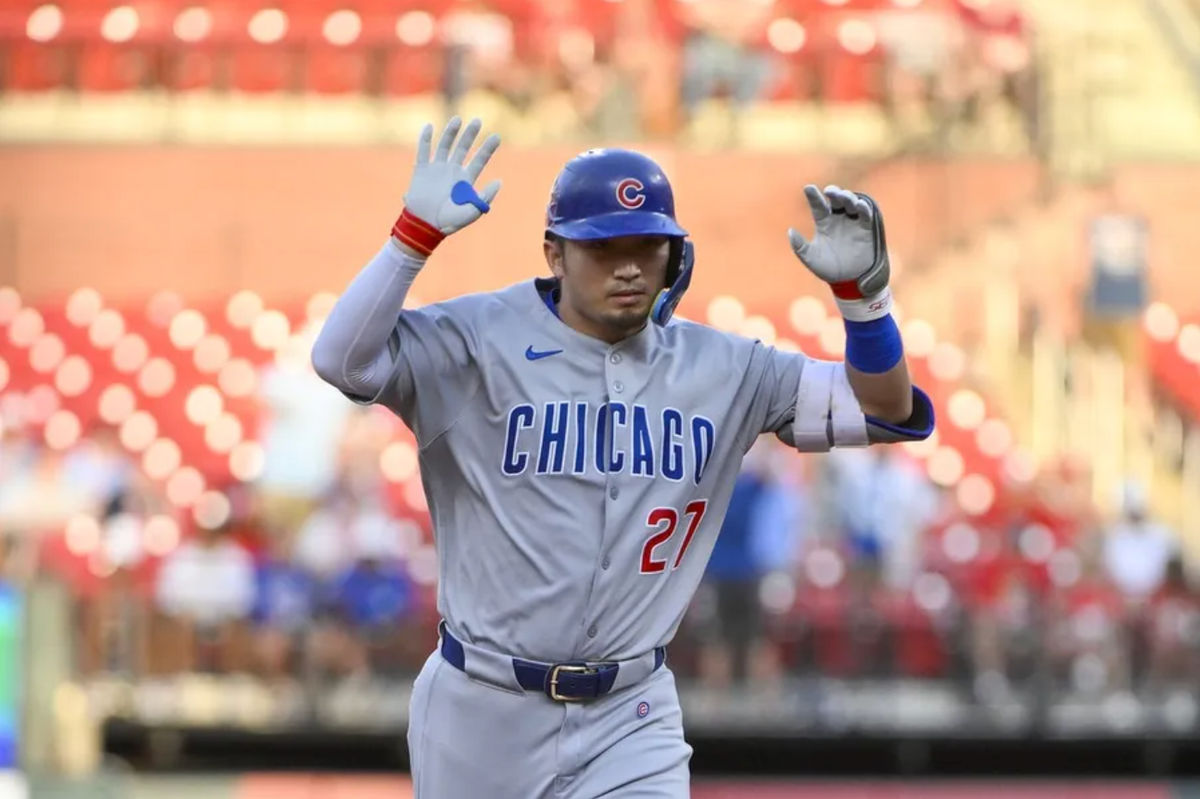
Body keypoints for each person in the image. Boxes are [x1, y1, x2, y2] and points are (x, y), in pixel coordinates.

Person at [311, 116, 934, 798]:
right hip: (481, 705)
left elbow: (883, 408)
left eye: (649, 245)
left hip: (630, 711)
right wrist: (410, 240)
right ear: (554, 252)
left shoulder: (722, 366)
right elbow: (340, 359)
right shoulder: (475, 339)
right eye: (604, 247)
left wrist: (864, 302)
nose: (630, 265)